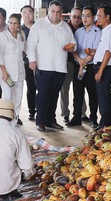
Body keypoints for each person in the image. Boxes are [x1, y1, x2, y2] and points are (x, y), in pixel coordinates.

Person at [27, 0, 76, 132]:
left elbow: (73, 43)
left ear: (61, 13)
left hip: (60, 67)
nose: (55, 14)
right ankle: (41, 121)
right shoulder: (39, 24)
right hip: (43, 66)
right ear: (48, 10)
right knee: (43, 94)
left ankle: (51, 120)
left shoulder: (65, 27)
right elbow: (30, 44)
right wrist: (32, 60)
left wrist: (72, 48)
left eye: (58, 12)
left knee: (54, 95)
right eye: (53, 11)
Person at [66, 6, 101, 128]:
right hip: (78, 65)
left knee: (92, 94)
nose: (84, 18)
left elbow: (93, 52)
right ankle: (76, 117)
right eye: (83, 16)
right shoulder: (78, 32)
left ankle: (93, 119)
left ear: (93, 17)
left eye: (87, 16)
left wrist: (83, 64)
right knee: (77, 93)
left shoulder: (98, 32)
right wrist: (80, 62)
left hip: (91, 68)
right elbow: (73, 49)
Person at [0, 13, 26, 126]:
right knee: (8, 98)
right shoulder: (3, 36)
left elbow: (24, 50)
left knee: (17, 99)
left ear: (19, 24)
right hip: (6, 73)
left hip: (19, 71)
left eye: (15, 23)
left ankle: (13, 122)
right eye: (10, 23)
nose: (12, 25)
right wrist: (4, 72)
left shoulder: (21, 34)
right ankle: (5, 123)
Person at [93, 5, 111, 128]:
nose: (97, 18)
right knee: (105, 96)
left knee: (103, 97)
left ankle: (104, 124)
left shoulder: (110, 32)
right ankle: (108, 123)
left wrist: (100, 71)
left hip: (105, 67)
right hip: (103, 66)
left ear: (107, 17)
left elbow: (108, 53)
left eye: (100, 15)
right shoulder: (105, 31)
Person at [60, 7, 85, 124]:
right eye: (74, 16)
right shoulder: (64, 28)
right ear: (70, 16)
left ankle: (82, 113)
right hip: (67, 63)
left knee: (80, 88)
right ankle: (65, 113)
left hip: (81, 63)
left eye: (80, 17)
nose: (77, 19)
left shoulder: (83, 29)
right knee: (65, 89)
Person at [20, 5, 36, 121]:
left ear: (33, 13)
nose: (27, 15)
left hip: (41, 63)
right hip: (26, 64)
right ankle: (32, 111)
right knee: (31, 88)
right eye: (24, 13)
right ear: (22, 15)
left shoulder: (39, 27)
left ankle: (41, 111)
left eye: (29, 12)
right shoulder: (19, 30)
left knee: (42, 88)